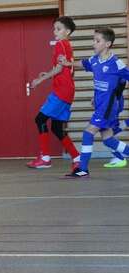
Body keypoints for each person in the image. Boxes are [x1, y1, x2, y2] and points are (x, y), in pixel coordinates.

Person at [60, 27, 129, 178]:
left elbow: (124, 79)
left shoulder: (116, 64)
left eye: (97, 41)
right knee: (108, 140)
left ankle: (82, 168)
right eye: (93, 40)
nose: (93, 44)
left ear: (108, 44)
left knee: (88, 132)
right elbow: (83, 64)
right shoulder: (95, 60)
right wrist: (66, 63)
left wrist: (117, 94)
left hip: (107, 108)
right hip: (100, 105)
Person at [27, 16, 80, 170]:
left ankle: (45, 158)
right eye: (54, 28)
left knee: (40, 119)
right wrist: (48, 74)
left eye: (58, 29)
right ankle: (76, 157)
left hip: (61, 90)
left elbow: (60, 68)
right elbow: (62, 68)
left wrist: (39, 81)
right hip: (68, 90)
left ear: (67, 31)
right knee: (57, 128)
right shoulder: (67, 45)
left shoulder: (60, 44)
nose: (54, 31)